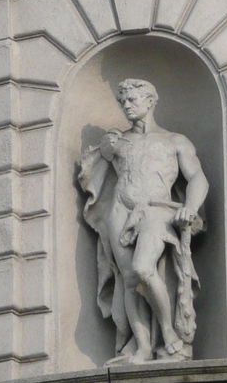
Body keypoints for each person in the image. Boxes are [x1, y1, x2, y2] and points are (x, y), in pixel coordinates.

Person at [78, 79, 208, 363]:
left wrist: (190, 207)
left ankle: (168, 333)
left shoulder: (174, 141)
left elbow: (197, 178)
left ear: (150, 101)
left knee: (143, 268)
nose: (126, 106)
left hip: (156, 209)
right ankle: (143, 347)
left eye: (132, 100)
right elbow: (91, 171)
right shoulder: (117, 141)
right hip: (120, 209)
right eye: (122, 101)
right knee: (128, 279)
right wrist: (103, 148)